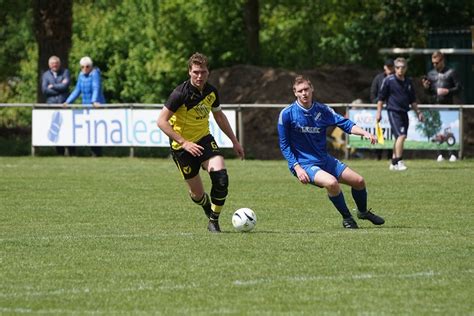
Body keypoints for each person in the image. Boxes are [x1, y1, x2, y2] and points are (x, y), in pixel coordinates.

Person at [278, 75, 385, 229]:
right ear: (294, 92)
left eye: (306, 89)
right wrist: (297, 167)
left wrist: (365, 133)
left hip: (324, 160)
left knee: (359, 181)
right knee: (331, 183)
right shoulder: (287, 114)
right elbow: (284, 145)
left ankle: (362, 212)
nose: (304, 93)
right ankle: (347, 218)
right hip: (304, 164)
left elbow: (345, 124)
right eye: (300, 91)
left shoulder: (323, 110)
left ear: (312, 89)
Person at [157, 52, 245, 233]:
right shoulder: (179, 94)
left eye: (203, 72)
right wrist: (184, 142)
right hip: (182, 148)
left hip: (204, 140)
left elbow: (219, 117)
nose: (199, 76)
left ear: (208, 72)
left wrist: (235, 141)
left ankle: (214, 221)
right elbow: (161, 122)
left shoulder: (211, 92)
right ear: (189, 71)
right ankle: (205, 204)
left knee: (221, 178)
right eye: (196, 72)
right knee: (197, 195)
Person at [376, 57, 424, 171]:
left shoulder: (408, 82)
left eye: (402, 67)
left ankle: (393, 163)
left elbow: (412, 100)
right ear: (395, 68)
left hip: (404, 112)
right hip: (393, 111)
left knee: (399, 137)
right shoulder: (388, 80)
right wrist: (378, 112)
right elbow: (381, 98)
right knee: (401, 136)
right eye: (397, 67)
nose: (400, 70)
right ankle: (399, 161)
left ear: (406, 68)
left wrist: (418, 112)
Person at [422, 51, 462, 162]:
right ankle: (439, 154)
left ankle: (452, 154)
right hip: (434, 105)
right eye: (433, 63)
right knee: (437, 130)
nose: (435, 65)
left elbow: (459, 88)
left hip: (448, 106)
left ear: (442, 60)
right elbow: (428, 92)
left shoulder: (451, 72)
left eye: (437, 62)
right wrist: (426, 88)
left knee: (449, 130)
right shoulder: (430, 74)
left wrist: (448, 91)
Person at [64, 56, 106, 157]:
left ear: (91, 66)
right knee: (87, 130)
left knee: (96, 131)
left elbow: (96, 87)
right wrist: (68, 102)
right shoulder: (81, 75)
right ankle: (79, 152)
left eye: (87, 66)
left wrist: (94, 101)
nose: (85, 69)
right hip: (86, 107)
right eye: (82, 67)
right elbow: (77, 90)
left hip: (96, 107)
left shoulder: (95, 74)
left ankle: (96, 153)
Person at [41, 56, 74, 155]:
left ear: (59, 64)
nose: (54, 65)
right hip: (52, 105)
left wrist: (53, 86)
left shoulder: (65, 72)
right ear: (49, 65)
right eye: (52, 63)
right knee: (56, 129)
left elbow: (65, 86)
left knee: (68, 128)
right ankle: (60, 152)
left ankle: (72, 152)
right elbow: (44, 90)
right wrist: (59, 88)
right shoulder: (46, 75)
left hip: (64, 104)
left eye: (56, 63)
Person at [370, 58, 395, 160]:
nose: (389, 68)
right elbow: (372, 94)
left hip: (392, 109)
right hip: (379, 111)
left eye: (391, 66)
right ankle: (378, 155)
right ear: (384, 67)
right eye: (388, 66)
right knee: (379, 132)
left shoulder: (396, 78)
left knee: (391, 134)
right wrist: (379, 102)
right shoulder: (378, 78)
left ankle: (390, 155)